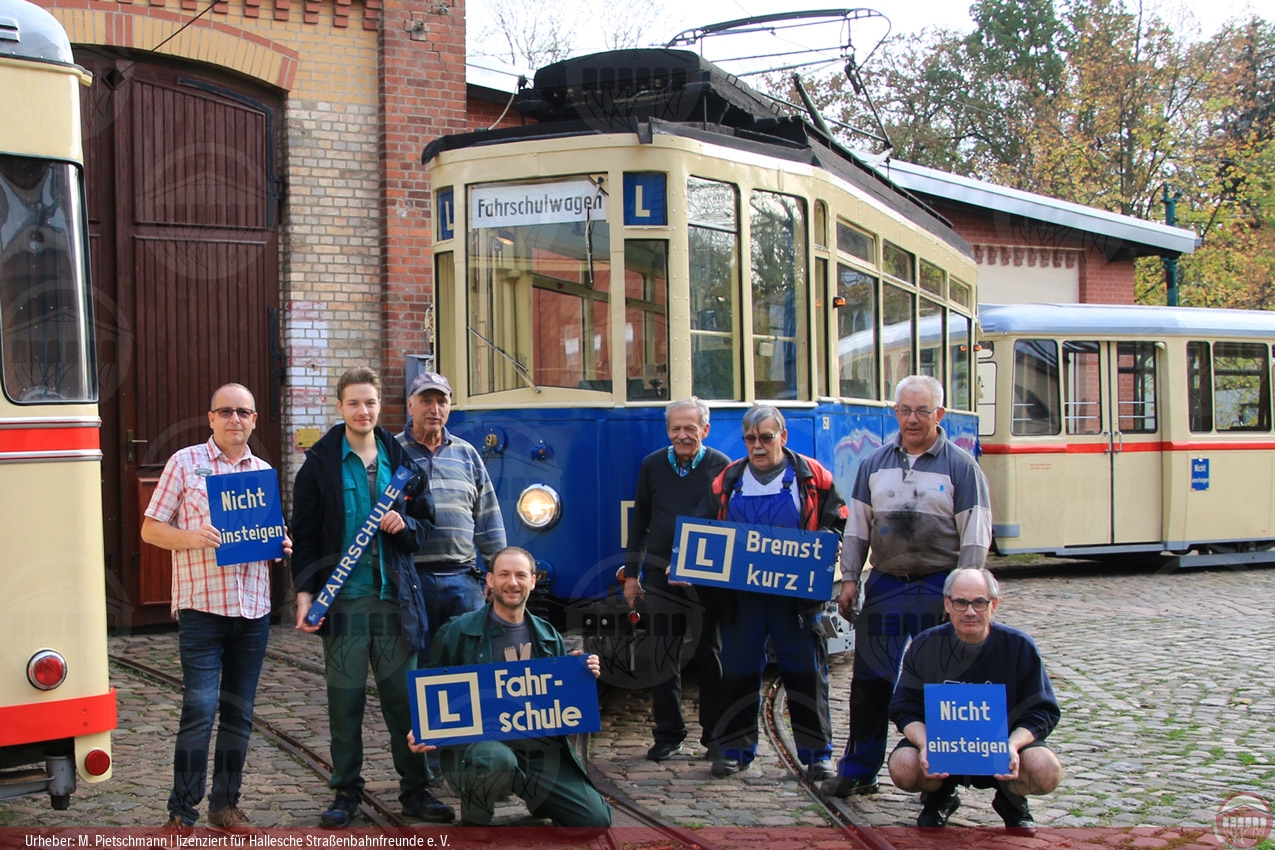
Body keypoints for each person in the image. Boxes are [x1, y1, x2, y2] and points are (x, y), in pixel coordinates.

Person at [291, 367, 454, 828]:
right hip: (343, 606)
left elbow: (426, 522)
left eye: (371, 403)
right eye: (354, 403)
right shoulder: (320, 465)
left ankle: (416, 789)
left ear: (381, 407)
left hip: (393, 602)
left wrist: (406, 529)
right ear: (339, 407)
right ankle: (346, 791)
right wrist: (305, 594)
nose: (363, 411)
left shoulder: (401, 462)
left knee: (404, 701)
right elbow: (303, 535)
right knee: (345, 704)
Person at [824, 375, 992, 798]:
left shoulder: (961, 466)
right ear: (894, 412)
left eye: (923, 411)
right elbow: (858, 528)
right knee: (870, 681)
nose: (913, 420)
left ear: (940, 414)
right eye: (905, 410)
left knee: (942, 683)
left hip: (940, 586)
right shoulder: (874, 464)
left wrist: (965, 594)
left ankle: (944, 779)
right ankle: (860, 769)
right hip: (886, 586)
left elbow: (975, 535)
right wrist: (849, 580)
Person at [142, 383, 291, 831]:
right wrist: (193, 538)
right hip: (203, 610)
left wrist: (278, 544)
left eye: (243, 412)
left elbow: (264, 540)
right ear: (210, 418)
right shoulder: (184, 463)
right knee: (200, 709)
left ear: (254, 420)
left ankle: (225, 806)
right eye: (225, 411)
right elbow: (151, 529)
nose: (234, 419)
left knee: (239, 713)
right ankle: (181, 812)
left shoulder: (262, 470)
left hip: (252, 612)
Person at [409, 547, 613, 828]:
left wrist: (577, 674)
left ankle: (538, 799)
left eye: (520, 575)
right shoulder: (458, 631)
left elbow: (558, 704)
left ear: (532, 581)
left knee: (595, 820)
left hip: (535, 750)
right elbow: (432, 687)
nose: (512, 583)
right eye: (504, 574)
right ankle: (475, 821)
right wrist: (423, 724)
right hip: (478, 751)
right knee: (496, 759)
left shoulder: (548, 635)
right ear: (490, 581)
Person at [707, 406, 847, 780]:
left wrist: (831, 542)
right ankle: (735, 750)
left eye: (766, 438)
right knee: (737, 670)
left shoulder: (812, 477)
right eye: (750, 439)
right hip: (742, 597)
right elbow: (706, 531)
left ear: (783, 437)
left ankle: (818, 754)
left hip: (796, 599)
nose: (758, 446)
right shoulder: (727, 481)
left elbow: (838, 518)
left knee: (805, 671)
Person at [888, 567, 1062, 831]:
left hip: (1003, 751)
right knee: (902, 766)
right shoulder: (925, 645)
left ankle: (1011, 798)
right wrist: (925, 744)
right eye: (961, 602)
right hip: (942, 749)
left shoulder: (1019, 646)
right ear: (947, 604)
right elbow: (903, 707)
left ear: (994, 605)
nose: (970, 611)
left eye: (979, 602)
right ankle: (941, 796)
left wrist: (1013, 746)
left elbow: (1043, 710)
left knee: (1046, 769)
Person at [624, 398, 730, 762]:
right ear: (667, 430)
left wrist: (692, 563)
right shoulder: (652, 465)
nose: (682, 435)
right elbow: (640, 521)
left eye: (690, 428)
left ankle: (715, 736)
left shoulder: (721, 466)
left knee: (709, 655)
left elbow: (724, 525)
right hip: (658, 572)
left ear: (705, 429)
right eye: (675, 429)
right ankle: (668, 733)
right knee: (661, 655)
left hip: (705, 577)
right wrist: (632, 574)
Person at [396, 371, 506, 656]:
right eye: (426, 401)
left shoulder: (467, 454)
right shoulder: (392, 452)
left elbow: (487, 517)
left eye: (441, 401)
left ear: (449, 406)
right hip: (412, 580)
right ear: (411, 405)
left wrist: (498, 571)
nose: (434, 409)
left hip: (464, 580)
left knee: (469, 658)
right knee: (418, 662)